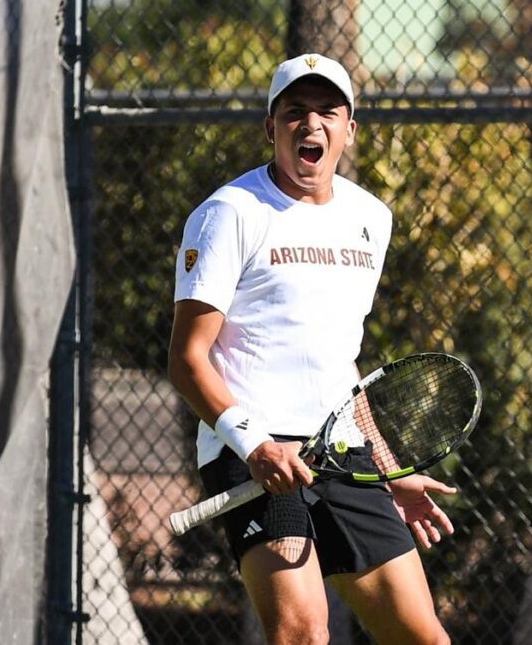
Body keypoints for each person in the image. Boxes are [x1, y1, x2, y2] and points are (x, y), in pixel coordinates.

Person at [168, 53, 455, 645]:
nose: (311, 124)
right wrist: (255, 446)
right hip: (252, 454)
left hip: (342, 454)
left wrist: (387, 469)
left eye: (328, 111)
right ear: (270, 127)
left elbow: (338, 362)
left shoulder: (370, 219)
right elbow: (187, 357)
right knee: (302, 633)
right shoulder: (228, 214)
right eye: (295, 111)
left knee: (421, 637)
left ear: (350, 129)